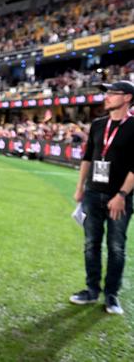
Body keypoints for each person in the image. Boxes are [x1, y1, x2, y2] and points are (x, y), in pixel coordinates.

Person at [70, 80, 134, 315]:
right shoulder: (98, 125)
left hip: (120, 198)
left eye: (112, 93)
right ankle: (91, 290)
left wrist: (122, 195)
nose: (106, 97)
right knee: (91, 245)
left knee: (116, 247)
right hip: (92, 193)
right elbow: (87, 158)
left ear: (127, 98)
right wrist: (80, 188)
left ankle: (111, 295)